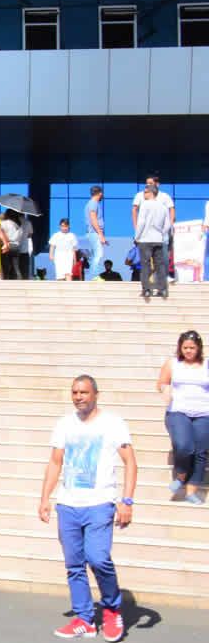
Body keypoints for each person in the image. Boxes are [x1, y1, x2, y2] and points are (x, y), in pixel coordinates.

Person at [38, 376, 136, 642]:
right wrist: (45, 497)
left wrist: (126, 501)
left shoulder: (112, 423)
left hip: (100, 503)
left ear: (95, 394)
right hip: (68, 504)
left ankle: (112, 609)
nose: (79, 396)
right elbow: (55, 462)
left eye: (84, 392)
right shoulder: (64, 424)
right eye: (74, 392)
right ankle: (84, 619)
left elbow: (130, 462)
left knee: (98, 558)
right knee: (74, 565)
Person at [157, 330, 209, 504]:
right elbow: (162, 382)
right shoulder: (172, 363)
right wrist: (165, 390)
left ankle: (191, 491)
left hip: (203, 413)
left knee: (200, 452)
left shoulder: (206, 364)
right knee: (184, 446)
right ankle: (181, 474)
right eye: (185, 347)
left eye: (192, 348)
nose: (188, 351)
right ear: (180, 348)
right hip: (178, 411)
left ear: (198, 348)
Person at [135, 187, 172, 298]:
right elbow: (167, 225)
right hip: (158, 239)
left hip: (145, 239)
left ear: (151, 193)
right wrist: (161, 234)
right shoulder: (163, 207)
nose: (144, 194)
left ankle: (146, 290)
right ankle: (163, 290)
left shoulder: (145, 205)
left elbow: (141, 222)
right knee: (159, 265)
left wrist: (137, 236)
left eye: (145, 192)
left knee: (145, 265)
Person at [84, 186, 107, 281]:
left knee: (95, 254)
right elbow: (93, 219)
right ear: (100, 193)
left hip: (94, 233)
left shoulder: (92, 203)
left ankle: (94, 276)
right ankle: (95, 276)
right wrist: (100, 234)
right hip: (94, 233)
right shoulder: (93, 203)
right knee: (98, 254)